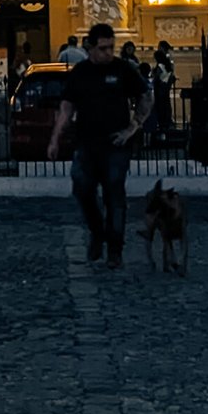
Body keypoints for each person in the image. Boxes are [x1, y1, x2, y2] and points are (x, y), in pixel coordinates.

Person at [48, 22, 148, 268]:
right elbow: (66, 107)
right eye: (103, 48)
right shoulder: (80, 72)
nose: (108, 53)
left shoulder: (123, 69)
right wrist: (55, 138)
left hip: (115, 143)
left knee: (115, 193)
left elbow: (145, 96)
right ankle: (97, 231)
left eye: (111, 48)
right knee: (81, 187)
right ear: (91, 48)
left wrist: (134, 126)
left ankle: (115, 250)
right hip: (86, 143)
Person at [150, 40, 176, 140]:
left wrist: (153, 74)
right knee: (166, 105)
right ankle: (167, 122)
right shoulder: (168, 65)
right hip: (165, 88)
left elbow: (156, 77)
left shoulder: (161, 66)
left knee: (160, 107)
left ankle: (162, 125)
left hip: (160, 89)